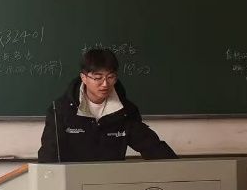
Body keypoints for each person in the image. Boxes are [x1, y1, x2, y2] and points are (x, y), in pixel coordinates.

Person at [37, 48, 176, 162]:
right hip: (72, 181)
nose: (105, 84)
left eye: (110, 77)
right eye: (98, 78)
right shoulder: (60, 110)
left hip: (110, 181)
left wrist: (180, 169)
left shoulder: (126, 111)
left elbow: (152, 147)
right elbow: (49, 154)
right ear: (83, 77)